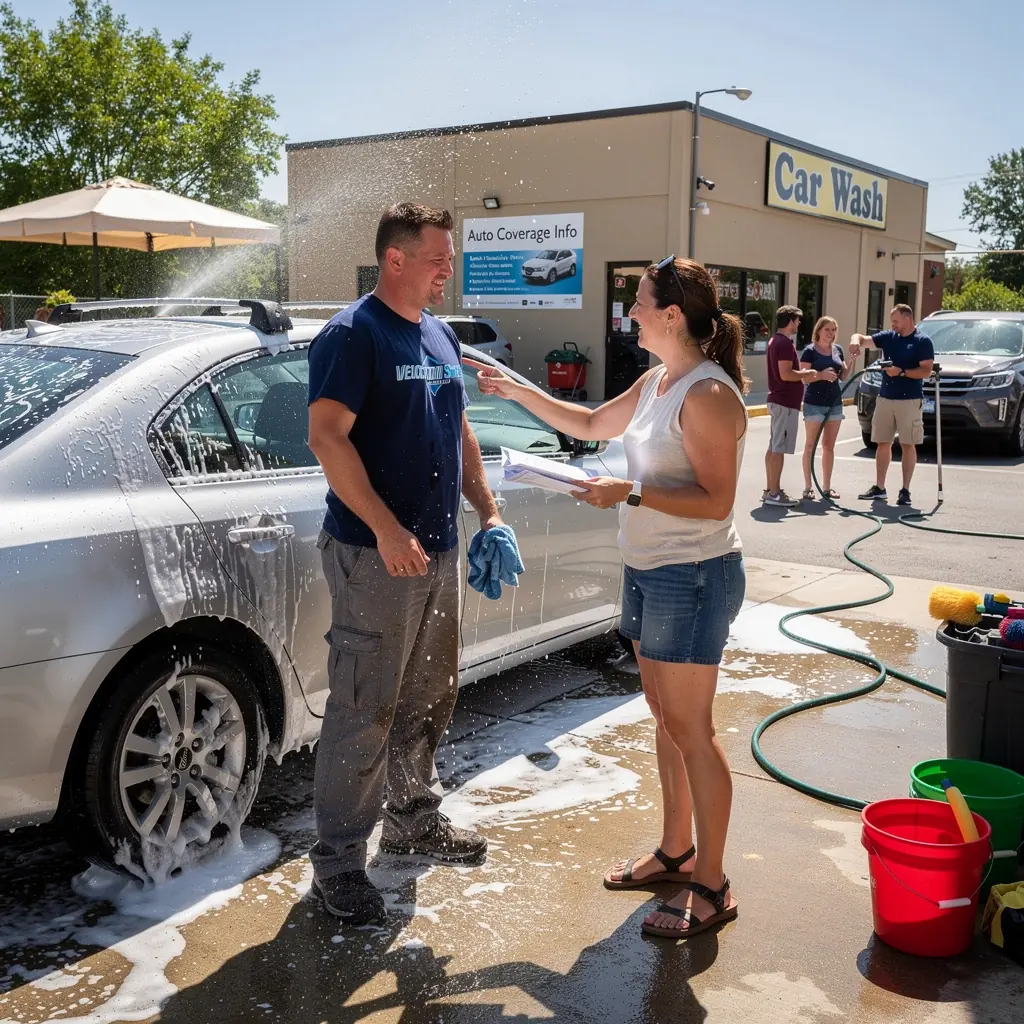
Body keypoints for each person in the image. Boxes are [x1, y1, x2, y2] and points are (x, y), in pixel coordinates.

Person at [468, 256, 747, 939]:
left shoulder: (709, 396)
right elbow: (591, 423)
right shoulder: (658, 382)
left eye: (641, 302)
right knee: (663, 716)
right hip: (649, 568)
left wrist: (631, 493)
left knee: (693, 731)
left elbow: (716, 502)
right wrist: (514, 390)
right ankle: (675, 850)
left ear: (672, 315)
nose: (631, 313)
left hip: (694, 573)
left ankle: (712, 884)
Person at [306, 202, 504, 924]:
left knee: (428, 694)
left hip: (437, 550)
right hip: (372, 553)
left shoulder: (439, 333)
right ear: (396, 259)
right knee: (365, 709)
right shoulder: (354, 334)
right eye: (437, 255)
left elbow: (459, 430)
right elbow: (328, 438)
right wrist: (387, 529)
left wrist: (490, 511)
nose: (448, 266)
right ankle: (337, 865)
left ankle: (414, 820)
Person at [852, 304, 934, 505]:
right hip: (885, 398)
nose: (893, 325)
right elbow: (862, 339)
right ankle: (880, 487)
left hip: (910, 400)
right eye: (892, 322)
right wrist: (855, 342)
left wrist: (902, 372)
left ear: (908, 318)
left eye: (896, 321)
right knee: (882, 442)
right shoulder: (889, 337)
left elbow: (926, 371)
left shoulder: (922, 341)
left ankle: (905, 491)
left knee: (908, 444)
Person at [764, 305, 837, 507]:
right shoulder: (785, 344)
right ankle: (775, 493)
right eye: (797, 320)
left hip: (779, 401)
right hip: (784, 402)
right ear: (790, 321)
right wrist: (808, 374)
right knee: (778, 448)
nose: (799, 324)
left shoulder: (774, 340)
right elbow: (785, 374)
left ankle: (770, 489)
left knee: (773, 447)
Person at [799, 316, 860, 500]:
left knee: (829, 447)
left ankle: (826, 488)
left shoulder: (837, 350)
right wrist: (821, 375)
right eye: (827, 329)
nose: (831, 333)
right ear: (818, 330)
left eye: (833, 330)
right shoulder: (810, 351)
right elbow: (804, 377)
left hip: (834, 403)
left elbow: (842, 376)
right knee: (810, 445)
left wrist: (851, 361)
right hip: (814, 404)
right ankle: (808, 487)